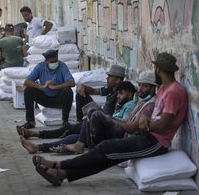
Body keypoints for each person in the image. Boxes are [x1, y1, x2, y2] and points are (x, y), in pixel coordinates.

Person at [32, 52, 188, 187]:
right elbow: (150, 120)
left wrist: (145, 123)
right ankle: (63, 174)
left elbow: (163, 126)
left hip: (156, 142)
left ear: (159, 69)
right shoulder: (163, 89)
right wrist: (144, 120)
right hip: (145, 135)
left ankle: (57, 165)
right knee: (108, 158)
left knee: (105, 148)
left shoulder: (174, 92)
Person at [19, 81, 137, 154]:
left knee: (88, 116)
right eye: (118, 94)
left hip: (107, 130)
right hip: (103, 126)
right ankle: (38, 146)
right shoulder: (114, 94)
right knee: (72, 135)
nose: (118, 96)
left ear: (130, 94)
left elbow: (123, 124)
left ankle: (37, 137)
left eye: (121, 94)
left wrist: (106, 117)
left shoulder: (130, 105)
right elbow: (94, 91)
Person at [17, 64, 125, 139]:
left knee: (68, 130)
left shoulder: (121, 93)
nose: (107, 78)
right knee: (80, 95)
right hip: (99, 115)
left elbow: (116, 116)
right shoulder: (111, 89)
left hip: (102, 118)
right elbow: (94, 90)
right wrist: (82, 87)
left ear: (118, 80)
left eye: (110, 76)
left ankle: (36, 135)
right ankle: (79, 121)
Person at [17, 49, 75, 130]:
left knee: (68, 91)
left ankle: (65, 121)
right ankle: (30, 122)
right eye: (51, 62)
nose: (54, 63)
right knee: (28, 90)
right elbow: (27, 82)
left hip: (59, 99)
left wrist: (56, 87)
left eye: (56, 61)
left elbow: (72, 82)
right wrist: (43, 86)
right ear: (46, 61)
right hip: (45, 98)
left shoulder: (62, 66)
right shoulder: (40, 66)